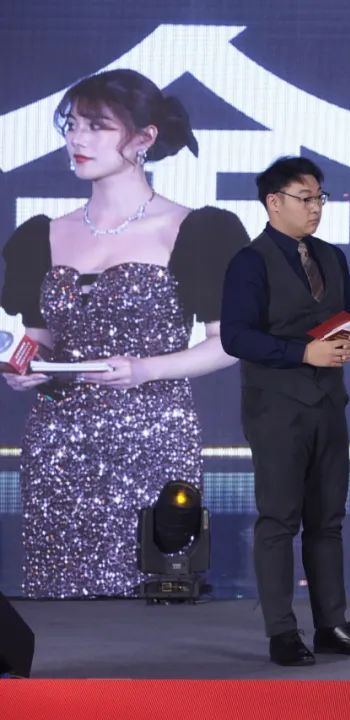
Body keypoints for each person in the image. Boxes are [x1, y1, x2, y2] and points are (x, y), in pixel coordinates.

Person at [0, 69, 248, 598]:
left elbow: (229, 341)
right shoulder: (42, 234)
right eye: (72, 125)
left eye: (97, 126)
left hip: (152, 437)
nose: (78, 138)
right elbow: (39, 337)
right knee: (60, 603)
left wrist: (144, 370)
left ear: (143, 139)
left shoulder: (197, 230)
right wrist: (24, 368)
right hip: (58, 443)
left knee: (150, 596)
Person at [220, 156, 350, 667]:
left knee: (327, 520)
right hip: (276, 409)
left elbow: (344, 317)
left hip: (329, 403)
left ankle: (332, 625)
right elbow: (236, 337)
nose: (316, 207)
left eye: (320, 198)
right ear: (274, 203)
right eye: (305, 198)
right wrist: (302, 353)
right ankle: (282, 632)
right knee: (279, 520)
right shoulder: (249, 262)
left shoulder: (332, 257)